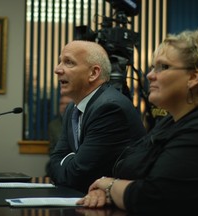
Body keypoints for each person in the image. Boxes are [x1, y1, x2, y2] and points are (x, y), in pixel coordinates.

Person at [77, 27, 198, 215]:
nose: (150, 75)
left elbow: (153, 198)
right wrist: (106, 189)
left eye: (163, 67)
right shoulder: (171, 121)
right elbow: (128, 168)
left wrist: (109, 185)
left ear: (194, 77)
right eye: (153, 67)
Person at [48, 40, 147, 193]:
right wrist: (70, 161)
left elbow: (77, 175)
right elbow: (54, 161)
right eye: (60, 61)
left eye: (68, 62)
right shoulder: (72, 107)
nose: (57, 69)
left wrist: (69, 161)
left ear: (93, 73)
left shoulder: (109, 108)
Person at [45, 94, 72, 176]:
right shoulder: (53, 125)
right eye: (61, 103)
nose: (64, 106)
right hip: (59, 162)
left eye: (67, 103)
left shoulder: (80, 121)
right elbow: (52, 149)